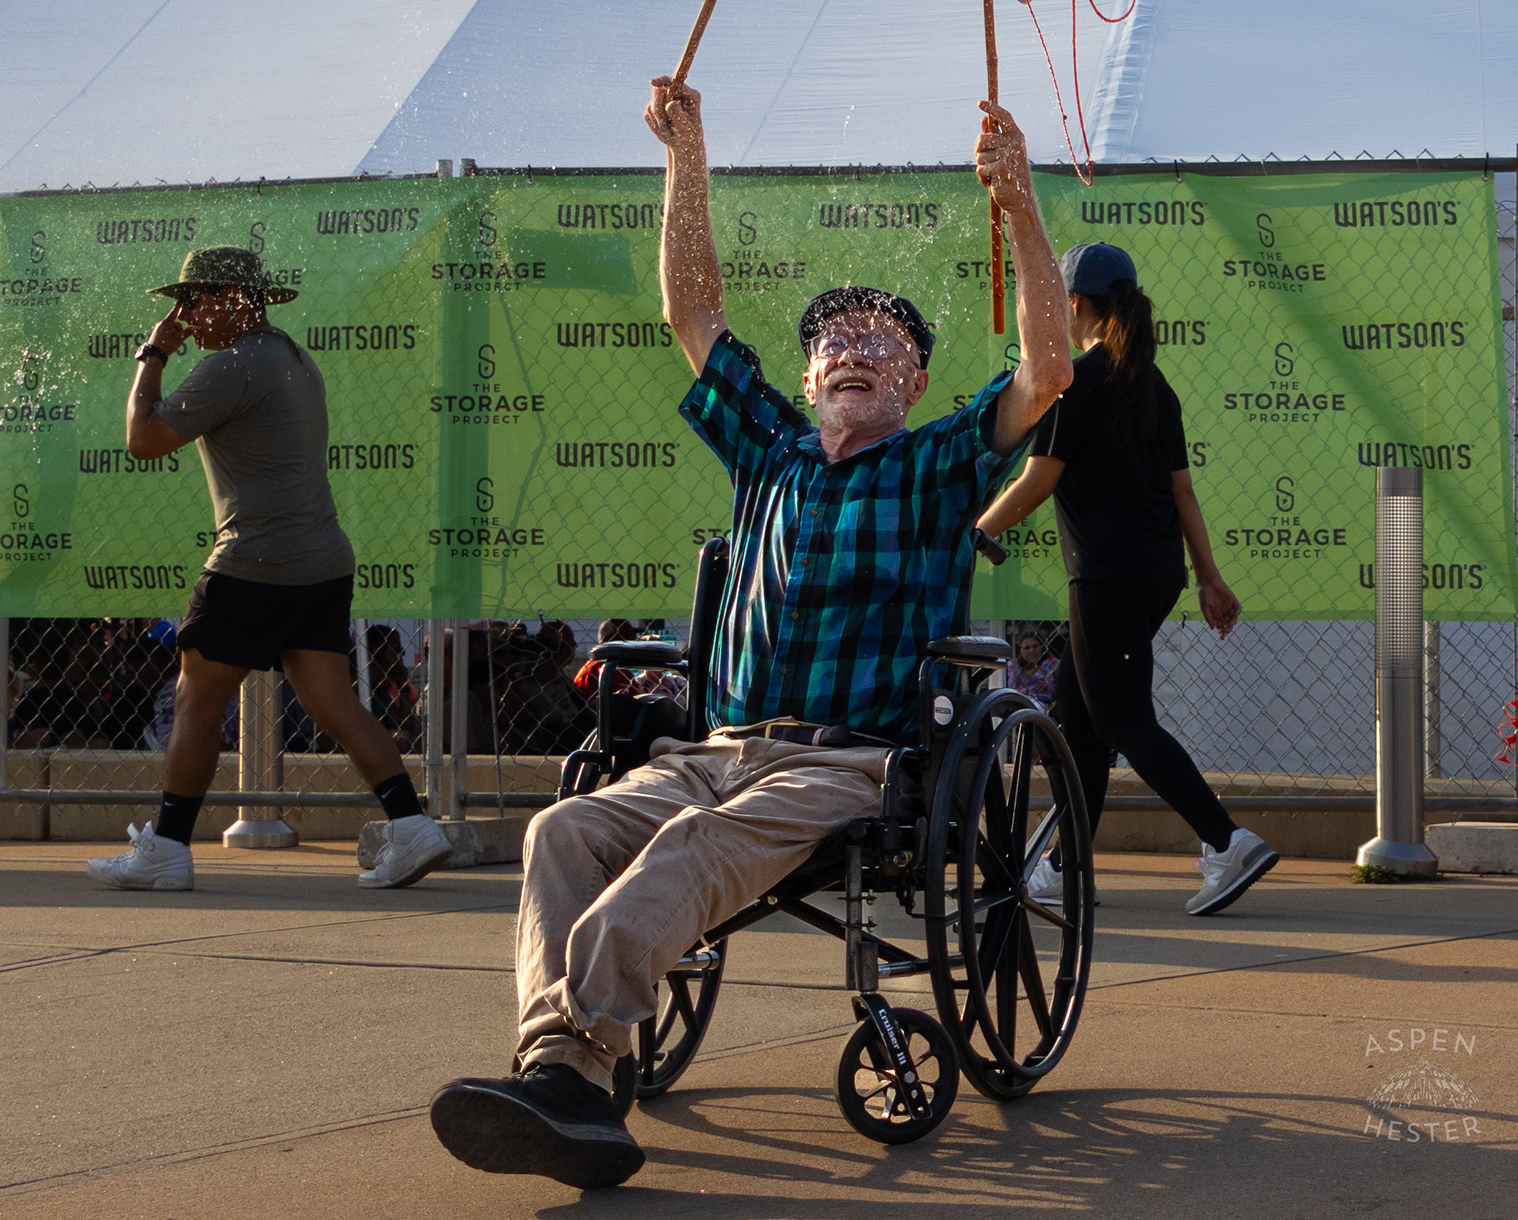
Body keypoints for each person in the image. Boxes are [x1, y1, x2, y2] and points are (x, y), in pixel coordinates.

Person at [428, 79, 1073, 1190]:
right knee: (562, 835)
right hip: (713, 752)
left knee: (681, 855)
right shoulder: (770, 451)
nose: (854, 346)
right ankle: (558, 1062)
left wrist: (1016, 204)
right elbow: (694, 312)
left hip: (843, 764)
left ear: (914, 380)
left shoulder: (931, 464)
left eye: (884, 338)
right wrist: (688, 155)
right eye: (833, 339)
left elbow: (1047, 369)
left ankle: (576, 1072)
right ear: (812, 376)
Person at [84, 245, 450, 892]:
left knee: (196, 698)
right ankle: (412, 827)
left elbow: (142, 440)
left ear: (235, 300)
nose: (186, 316)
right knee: (331, 700)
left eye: (194, 302)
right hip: (321, 560)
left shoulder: (231, 367)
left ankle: (167, 848)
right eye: (181, 306)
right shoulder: (292, 357)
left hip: (254, 561)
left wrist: (152, 357)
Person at [975, 241, 1279, 918]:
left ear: (1075, 305)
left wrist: (975, 530)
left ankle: (1227, 841)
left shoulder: (1075, 383)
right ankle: (1062, 867)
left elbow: (1037, 480)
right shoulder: (1152, 385)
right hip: (1153, 574)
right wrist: (1207, 578)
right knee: (1081, 723)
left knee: (1120, 717)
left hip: (1107, 576)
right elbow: (1184, 494)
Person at [1007, 628, 1060, 707]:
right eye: (1027, 648)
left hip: (1044, 705)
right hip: (1017, 703)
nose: (1031, 650)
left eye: (1035, 646)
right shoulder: (1012, 666)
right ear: (1021, 650)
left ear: (1042, 647)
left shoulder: (1051, 664)